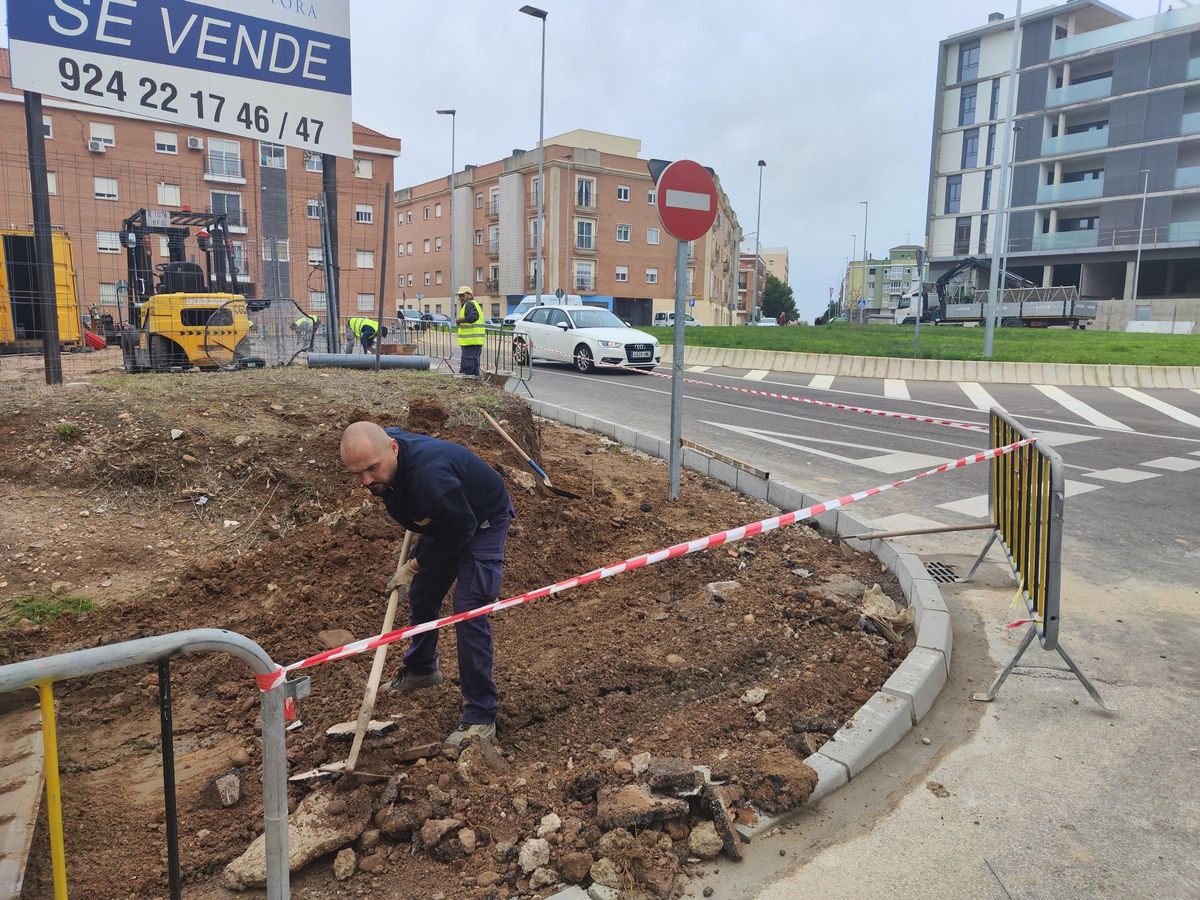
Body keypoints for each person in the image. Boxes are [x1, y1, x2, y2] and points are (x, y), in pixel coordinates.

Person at [339, 420, 514, 747]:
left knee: (468, 612)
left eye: (372, 469)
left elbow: (462, 530)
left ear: (392, 448)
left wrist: (414, 564)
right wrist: (419, 566)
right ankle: (421, 669)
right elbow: (443, 527)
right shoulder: (390, 451)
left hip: (481, 521)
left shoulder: (431, 480)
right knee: (423, 594)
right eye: (356, 473)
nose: (365, 481)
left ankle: (481, 716)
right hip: (445, 519)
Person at [454, 286, 485, 376]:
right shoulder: (473, 304)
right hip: (474, 342)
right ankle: (474, 385)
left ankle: (465, 384)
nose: (460, 298)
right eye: (459, 296)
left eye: (462, 295)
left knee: (467, 368)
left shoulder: (469, 304)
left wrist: (459, 320)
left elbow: (473, 317)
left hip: (471, 342)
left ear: (469, 295)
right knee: (474, 367)